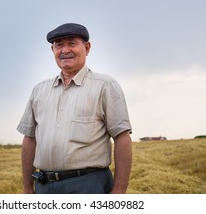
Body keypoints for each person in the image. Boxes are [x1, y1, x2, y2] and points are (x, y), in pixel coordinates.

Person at [17, 23, 132, 194]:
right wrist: (27, 188)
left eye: (71, 43)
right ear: (52, 50)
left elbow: (122, 137)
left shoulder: (106, 86)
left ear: (87, 48)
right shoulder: (39, 90)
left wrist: (119, 191)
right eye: (59, 45)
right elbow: (29, 139)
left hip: (89, 186)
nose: (65, 50)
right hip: (44, 187)